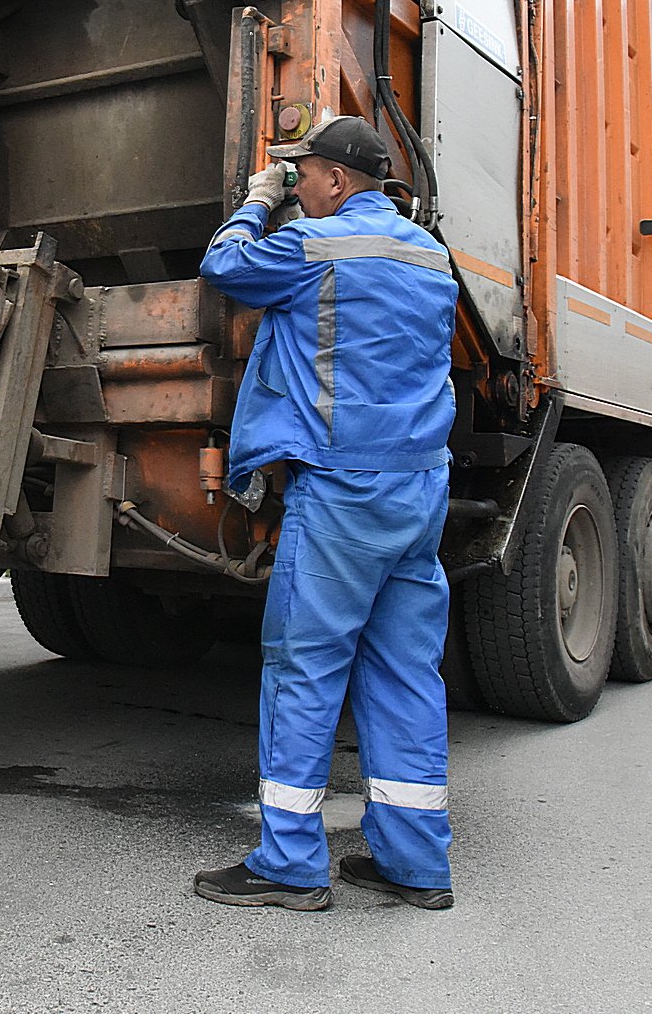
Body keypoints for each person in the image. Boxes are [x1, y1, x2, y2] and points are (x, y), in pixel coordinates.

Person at [192, 114, 459, 912]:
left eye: (302, 173)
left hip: (343, 491)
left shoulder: (319, 247)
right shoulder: (431, 256)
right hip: (419, 492)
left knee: (304, 669)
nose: (297, 183)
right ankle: (416, 864)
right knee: (406, 673)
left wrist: (254, 198)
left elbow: (224, 265)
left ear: (337, 181)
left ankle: (289, 863)